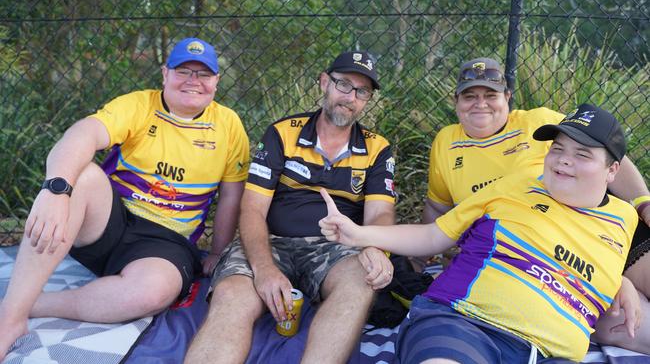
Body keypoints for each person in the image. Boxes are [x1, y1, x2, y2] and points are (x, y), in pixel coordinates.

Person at [320, 104, 641, 362]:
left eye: (582, 154)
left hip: (551, 353)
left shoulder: (623, 219)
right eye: (558, 149)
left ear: (612, 170)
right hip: (465, 323)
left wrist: (618, 282)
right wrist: (358, 234)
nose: (564, 161)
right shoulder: (516, 185)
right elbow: (434, 236)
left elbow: (589, 256)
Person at [0, 37, 250, 360]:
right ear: (164, 74)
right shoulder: (140, 104)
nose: (193, 81)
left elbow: (232, 194)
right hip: (113, 221)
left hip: (167, 243)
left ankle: (33, 303)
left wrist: (217, 252)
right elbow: (83, 133)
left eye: (204, 74)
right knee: (85, 176)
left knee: (155, 291)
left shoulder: (229, 125)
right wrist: (56, 190)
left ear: (216, 82)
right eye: (183, 71)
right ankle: (10, 318)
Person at [421, 57, 650, 353]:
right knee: (630, 327)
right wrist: (422, 261)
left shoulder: (537, 121)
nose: (481, 104)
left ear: (507, 97)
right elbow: (438, 209)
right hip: (553, 263)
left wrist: (644, 203)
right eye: (469, 96)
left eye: (490, 95)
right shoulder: (446, 143)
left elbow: (606, 151)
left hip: (607, 229)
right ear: (456, 102)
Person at [184, 51, 396, 363]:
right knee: (232, 296)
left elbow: (380, 212)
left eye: (361, 91)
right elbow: (252, 209)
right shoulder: (282, 133)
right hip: (271, 240)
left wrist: (376, 246)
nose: (350, 97)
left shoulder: (378, 147)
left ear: (368, 99)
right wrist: (265, 268)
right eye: (343, 84)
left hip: (336, 247)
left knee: (360, 283)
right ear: (324, 82)